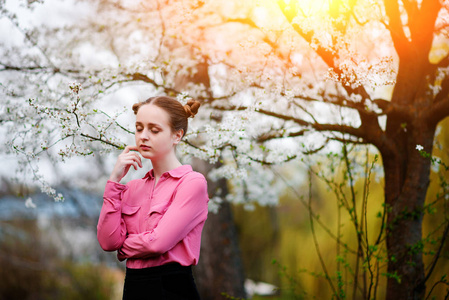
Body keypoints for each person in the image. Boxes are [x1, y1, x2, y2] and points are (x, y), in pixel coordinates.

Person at [97, 96, 208, 300]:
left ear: (177, 135)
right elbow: (107, 241)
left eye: (154, 130)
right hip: (133, 286)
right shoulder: (132, 188)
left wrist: (123, 249)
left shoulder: (191, 183)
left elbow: (157, 244)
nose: (143, 136)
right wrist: (114, 181)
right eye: (139, 128)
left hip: (172, 288)